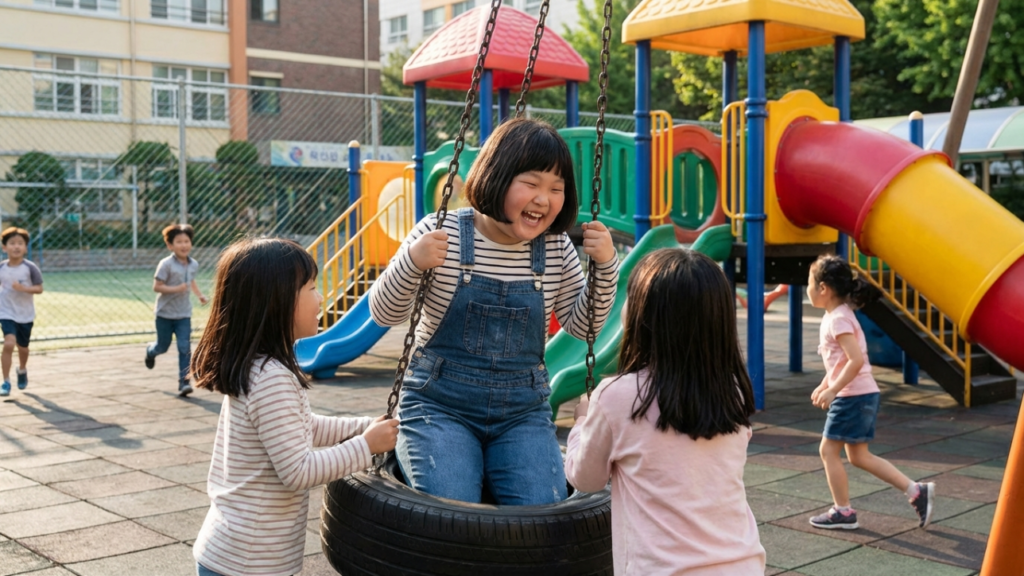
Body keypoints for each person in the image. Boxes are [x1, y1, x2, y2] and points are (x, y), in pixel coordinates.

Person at [369, 118, 619, 505]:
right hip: (438, 404)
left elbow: (583, 327)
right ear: (496, 176)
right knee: (451, 508)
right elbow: (384, 313)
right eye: (531, 183)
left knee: (544, 512)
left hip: (522, 411)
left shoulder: (555, 249)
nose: (544, 199)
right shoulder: (441, 235)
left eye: (557, 188)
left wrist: (604, 268)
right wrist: (413, 263)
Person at [191, 237, 399, 576]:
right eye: (312, 288)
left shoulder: (260, 367)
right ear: (276, 301)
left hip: (238, 553)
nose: (320, 299)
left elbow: (304, 426)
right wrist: (366, 446)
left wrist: (362, 426)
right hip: (248, 562)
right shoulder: (271, 377)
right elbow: (298, 472)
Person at [564, 248, 765, 575]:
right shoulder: (731, 389)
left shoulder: (618, 396)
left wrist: (582, 423)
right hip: (741, 563)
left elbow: (586, 478)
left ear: (645, 317)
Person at [806, 254, 935, 530]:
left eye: (809, 282)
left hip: (853, 395)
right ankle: (915, 491)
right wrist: (825, 384)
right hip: (861, 393)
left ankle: (843, 512)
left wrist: (834, 390)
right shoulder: (838, 315)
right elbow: (839, 361)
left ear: (823, 289)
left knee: (828, 451)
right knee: (858, 456)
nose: (807, 288)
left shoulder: (837, 320)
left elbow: (856, 361)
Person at [145, 224, 208, 397]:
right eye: (179, 241)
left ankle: (184, 383)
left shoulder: (193, 264)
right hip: (164, 314)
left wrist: (200, 295)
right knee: (162, 347)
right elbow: (156, 287)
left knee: (184, 347)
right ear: (170, 245)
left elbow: (191, 281)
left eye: (186, 241)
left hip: (184, 314)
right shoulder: (165, 265)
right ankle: (151, 351)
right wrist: (176, 289)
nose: (184, 245)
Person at [0, 227, 43, 397]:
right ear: (4, 247)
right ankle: (5, 381)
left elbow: (39, 289)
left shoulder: (30, 268)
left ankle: (22, 369)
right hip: (5, 311)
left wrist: (23, 288)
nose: (16, 247)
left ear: (25, 248)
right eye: (12, 243)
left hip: (25, 314)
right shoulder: (1, 268)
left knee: (23, 348)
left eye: (20, 243)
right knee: (9, 343)